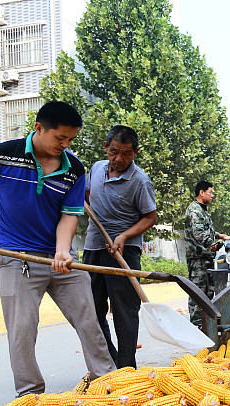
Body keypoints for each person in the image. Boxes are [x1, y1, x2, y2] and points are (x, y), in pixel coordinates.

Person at [0, 101, 116, 396]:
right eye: (59, 138)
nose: (65, 145)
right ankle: (30, 395)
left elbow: (70, 214)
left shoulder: (74, 168)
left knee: (90, 321)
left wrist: (63, 251)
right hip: (17, 259)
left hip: (61, 260)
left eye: (70, 139)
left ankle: (108, 383)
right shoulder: (2, 155)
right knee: (22, 332)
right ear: (39, 128)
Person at [83, 125, 156, 369]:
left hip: (124, 253)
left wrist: (124, 236)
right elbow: (85, 195)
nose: (119, 159)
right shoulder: (95, 169)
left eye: (126, 153)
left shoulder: (140, 181)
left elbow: (149, 217)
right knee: (92, 311)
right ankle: (108, 363)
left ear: (135, 152)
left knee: (124, 312)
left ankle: (126, 366)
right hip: (93, 248)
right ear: (106, 147)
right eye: (114, 152)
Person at [184, 180, 227, 327]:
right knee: (198, 293)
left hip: (205, 257)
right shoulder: (195, 210)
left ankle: (206, 324)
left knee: (208, 293)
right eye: (210, 192)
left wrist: (218, 235)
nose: (212, 195)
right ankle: (196, 326)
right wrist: (212, 244)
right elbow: (199, 233)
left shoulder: (202, 210)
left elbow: (206, 229)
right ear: (201, 193)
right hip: (197, 259)